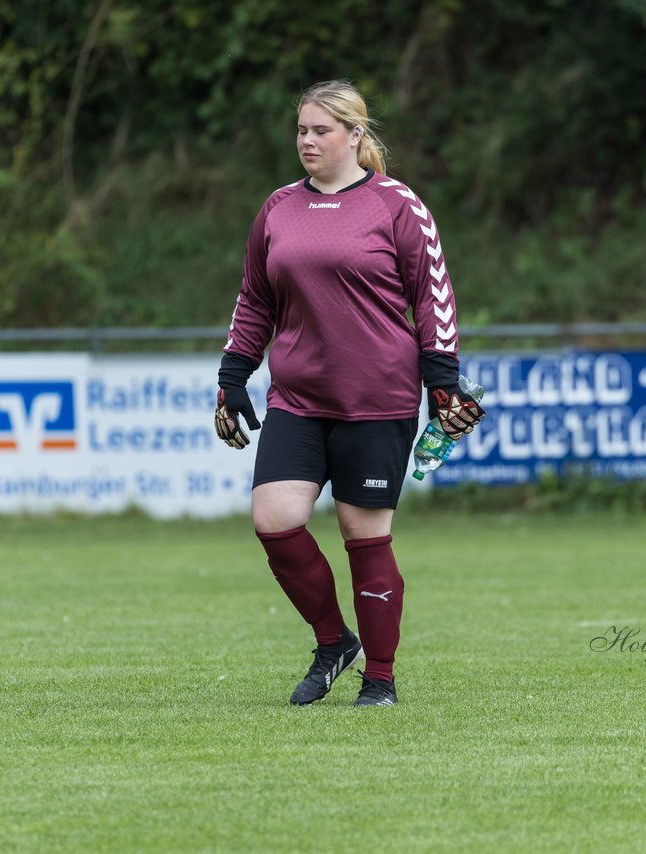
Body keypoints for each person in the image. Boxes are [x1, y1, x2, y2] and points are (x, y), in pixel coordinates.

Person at [213, 80, 485, 707]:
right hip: (298, 396)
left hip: (377, 396)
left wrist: (441, 377)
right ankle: (334, 641)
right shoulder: (278, 207)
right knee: (274, 520)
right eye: (301, 131)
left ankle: (381, 679)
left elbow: (431, 295)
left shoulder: (396, 204)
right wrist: (233, 375)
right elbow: (255, 298)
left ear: (355, 136)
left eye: (321, 131)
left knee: (365, 537)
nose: (307, 141)